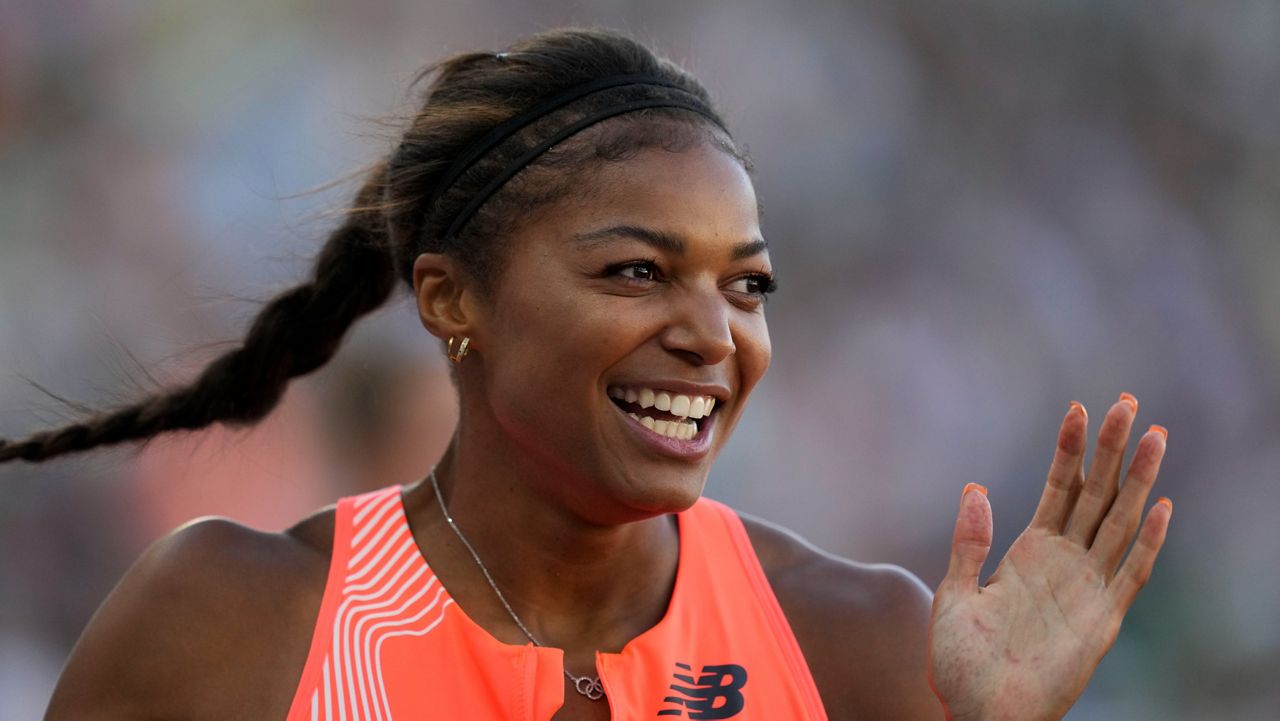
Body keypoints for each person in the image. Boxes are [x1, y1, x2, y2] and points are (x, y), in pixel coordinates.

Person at [1, 27, 1172, 720]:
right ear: (452, 299)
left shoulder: (858, 642)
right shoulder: (228, 622)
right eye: (634, 271)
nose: (713, 333)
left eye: (744, 284)